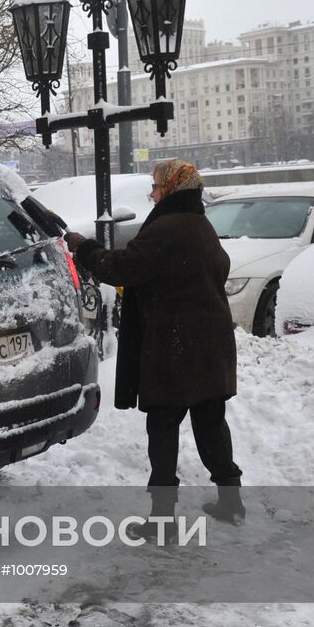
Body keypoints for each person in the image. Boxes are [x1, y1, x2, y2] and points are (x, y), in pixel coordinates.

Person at [62, 159, 244, 529]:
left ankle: (162, 520)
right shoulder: (199, 224)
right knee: (210, 423)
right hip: (208, 344)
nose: (152, 192)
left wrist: (84, 247)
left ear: (172, 188)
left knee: (162, 430)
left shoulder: (169, 228)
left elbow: (120, 268)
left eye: (157, 185)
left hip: (176, 349)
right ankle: (232, 501)